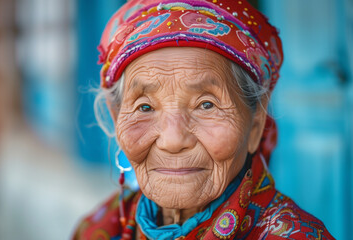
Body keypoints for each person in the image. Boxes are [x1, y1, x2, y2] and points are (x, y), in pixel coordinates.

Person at [74, 0, 334, 239]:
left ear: (256, 122)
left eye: (206, 105)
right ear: (117, 116)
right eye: (145, 107)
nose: (173, 140)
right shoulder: (100, 229)